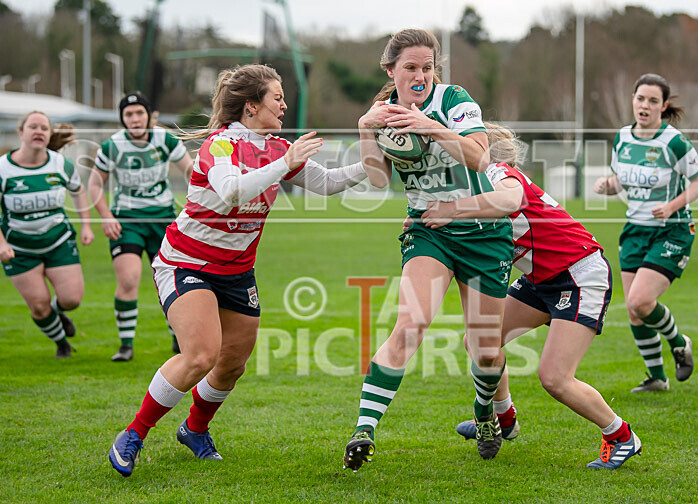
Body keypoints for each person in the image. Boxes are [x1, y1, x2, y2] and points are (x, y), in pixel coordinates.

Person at [108, 64, 368, 477]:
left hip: (237, 272)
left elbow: (329, 183)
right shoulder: (221, 145)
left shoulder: (277, 148)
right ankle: (134, 434)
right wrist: (285, 164)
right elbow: (231, 191)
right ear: (251, 106)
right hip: (185, 263)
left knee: (232, 363)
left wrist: (376, 161)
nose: (284, 105)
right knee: (201, 355)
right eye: (276, 97)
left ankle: (195, 429)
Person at [343, 29, 513, 472]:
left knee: (488, 351)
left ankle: (484, 413)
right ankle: (365, 428)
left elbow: (478, 157)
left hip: (484, 233)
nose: (420, 76)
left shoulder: (454, 100)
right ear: (390, 70)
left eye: (427, 67)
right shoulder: (383, 114)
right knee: (410, 323)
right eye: (411, 68)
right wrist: (365, 129)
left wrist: (431, 127)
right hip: (429, 231)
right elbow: (379, 179)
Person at [424, 123, 641, 469]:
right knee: (480, 341)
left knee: (554, 377)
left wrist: (450, 211)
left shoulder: (498, 173)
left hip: (579, 274)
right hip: (542, 278)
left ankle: (621, 436)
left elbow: (509, 198)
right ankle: (504, 420)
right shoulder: (475, 187)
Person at [593, 73, 698, 392]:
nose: (645, 105)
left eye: (653, 101)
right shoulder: (622, 138)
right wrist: (608, 185)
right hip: (635, 230)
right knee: (634, 311)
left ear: (663, 106)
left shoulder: (673, 141)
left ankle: (679, 341)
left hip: (671, 231)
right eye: (640, 98)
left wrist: (672, 206)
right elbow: (621, 180)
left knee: (642, 301)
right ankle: (657, 378)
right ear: (633, 100)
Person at [89, 91, 194, 362]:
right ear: (122, 119)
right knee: (128, 279)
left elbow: (190, 171)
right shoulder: (112, 145)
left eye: (139, 113)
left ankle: (177, 336)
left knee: (171, 283)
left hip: (163, 220)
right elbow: (94, 183)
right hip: (127, 220)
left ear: (148, 115)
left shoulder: (165, 139)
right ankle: (126, 344)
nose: (134, 119)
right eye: (128, 114)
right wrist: (106, 216)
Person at [0, 111, 94, 358]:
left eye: (44, 127)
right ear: (21, 133)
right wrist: (1, 245)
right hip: (19, 248)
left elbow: (79, 191)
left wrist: (86, 225)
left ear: (50, 134)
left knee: (71, 299)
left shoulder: (61, 164)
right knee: (40, 307)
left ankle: (58, 312)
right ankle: (62, 342)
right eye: (33, 127)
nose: (39, 131)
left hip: (58, 241)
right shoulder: (3, 169)